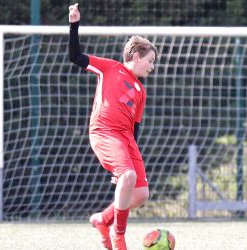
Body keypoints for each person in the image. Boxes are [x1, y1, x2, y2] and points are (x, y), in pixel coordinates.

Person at [68, 3, 157, 250]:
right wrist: (74, 24)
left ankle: (102, 220)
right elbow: (75, 57)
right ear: (135, 56)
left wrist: (126, 159)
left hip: (126, 139)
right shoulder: (109, 68)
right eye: (150, 60)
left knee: (140, 194)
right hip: (104, 132)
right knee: (127, 177)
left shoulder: (141, 90)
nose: (152, 66)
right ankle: (119, 237)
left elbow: (135, 127)